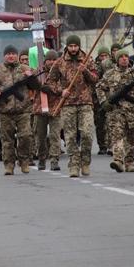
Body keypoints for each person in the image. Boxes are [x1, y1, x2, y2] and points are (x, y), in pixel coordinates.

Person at [46, 35, 99, 178]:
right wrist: (60, 91)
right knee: (70, 136)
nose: (73, 49)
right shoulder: (60, 62)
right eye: (71, 46)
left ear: (79, 46)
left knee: (87, 134)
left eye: (76, 46)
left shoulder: (87, 59)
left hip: (85, 102)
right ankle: (74, 165)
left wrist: (85, 71)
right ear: (67, 47)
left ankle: (85, 162)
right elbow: (50, 81)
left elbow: (96, 78)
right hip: (68, 104)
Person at [0, 44, 35, 175]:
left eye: (13, 53)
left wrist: (30, 76)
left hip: (23, 110)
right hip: (5, 111)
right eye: (8, 54)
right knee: (7, 141)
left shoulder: (25, 68)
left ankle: (24, 162)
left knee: (26, 137)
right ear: (4, 56)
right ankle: (9, 165)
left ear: (17, 55)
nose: (11, 56)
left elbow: (35, 85)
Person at [97, 49, 134, 173]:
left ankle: (130, 163)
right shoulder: (109, 74)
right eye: (121, 57)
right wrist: (104, 102)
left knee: (131, 138)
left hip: (133, 111)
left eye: (126, 56)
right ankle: (118, 160)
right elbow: (99, 88)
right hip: (116, 111)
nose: (124, 58)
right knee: (117, 136)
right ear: (117, 59)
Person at [33, 50, 62, 171]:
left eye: (54, 60)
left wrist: (50, 88)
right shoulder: (38, 72)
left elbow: (63, 88)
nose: (51, 62)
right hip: (40, 109)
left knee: (55, 135)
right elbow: (30, 84)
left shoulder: (61, 72)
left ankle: (54, 160)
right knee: (40, 136)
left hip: (55, 108)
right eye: (49, 60)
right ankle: (41, 159)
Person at [93, 46, 111, 155]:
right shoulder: (96, 67)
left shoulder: (112, 66)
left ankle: (110, 144)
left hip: (110, 97)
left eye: (106, 55)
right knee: (99, 123)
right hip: (98, 99)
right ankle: (102, 145)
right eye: (101, 56)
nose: (103, 58)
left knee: (111, 122)